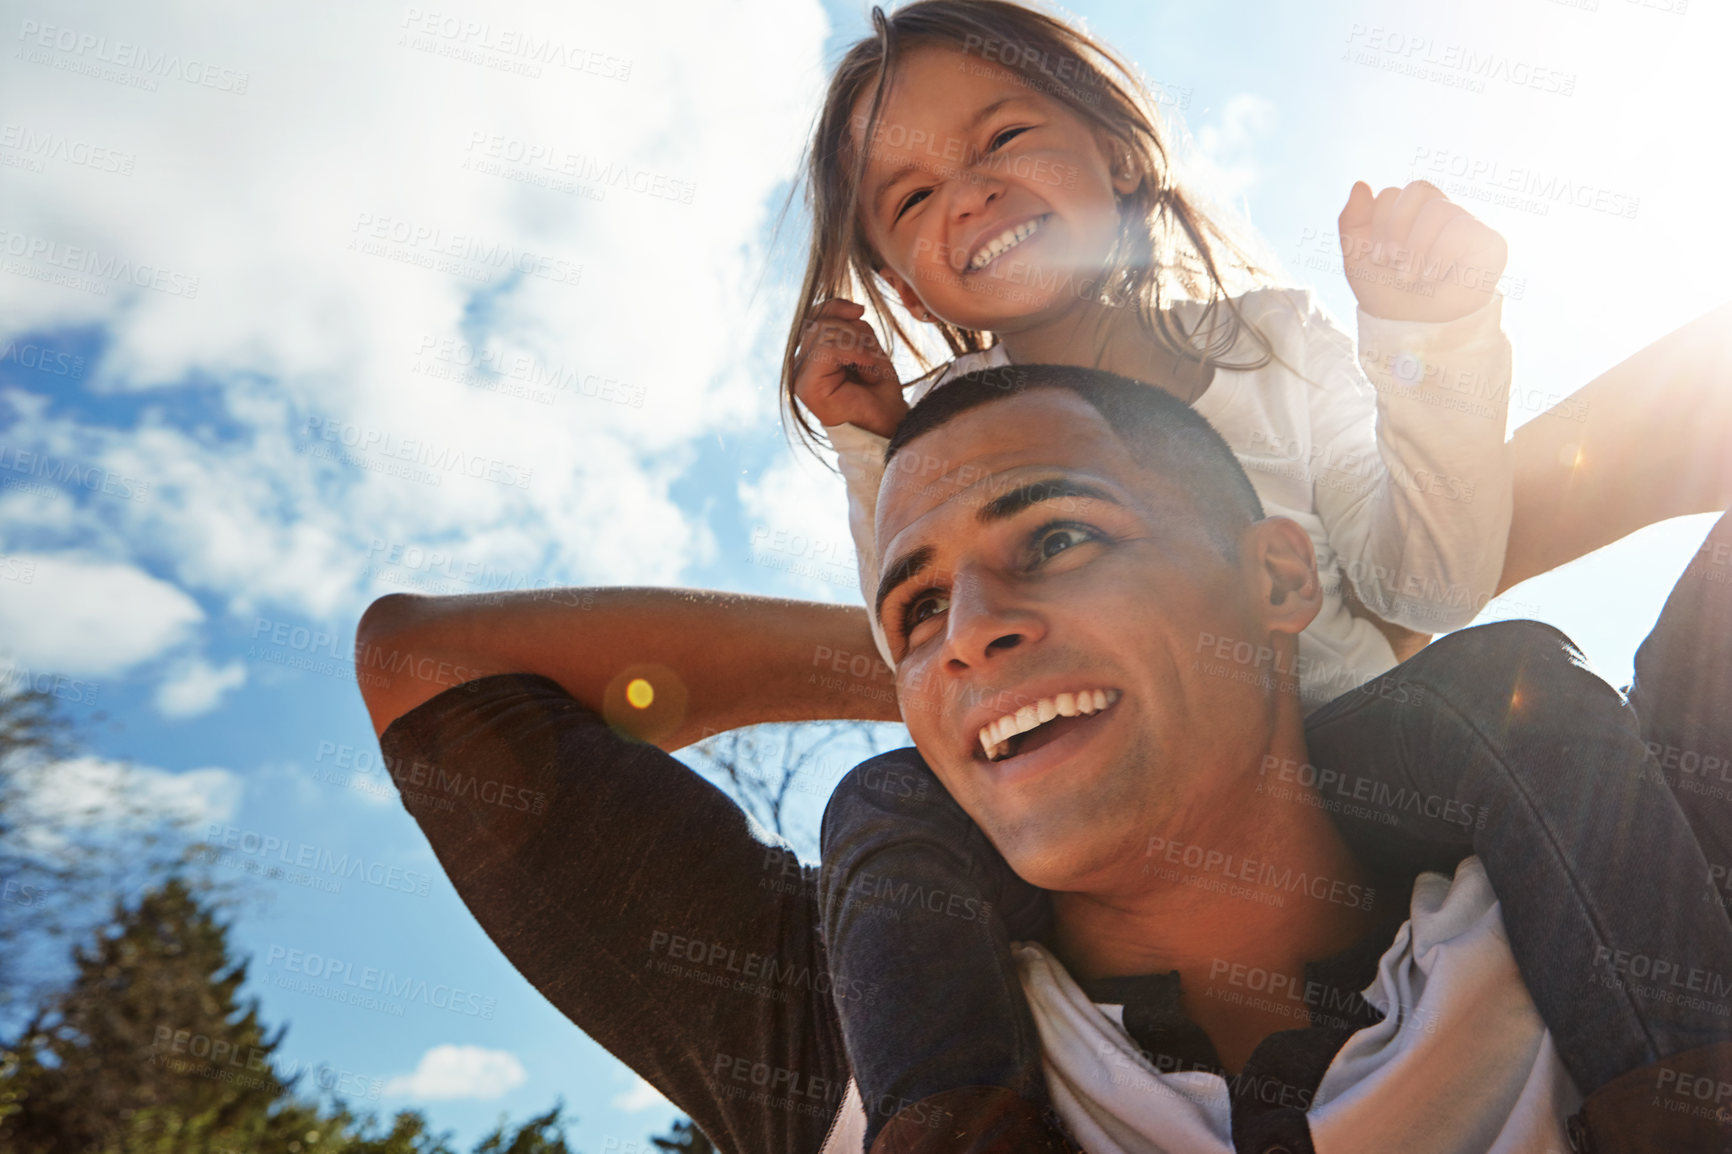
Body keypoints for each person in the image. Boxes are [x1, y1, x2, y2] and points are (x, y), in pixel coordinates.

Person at [778, 4, 1732, 1143]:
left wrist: (1428, 338)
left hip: (1343, 760)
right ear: (902, 286)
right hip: (1118, 797)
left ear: (1119, 154)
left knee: (1508, 684)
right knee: (881, 803)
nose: (968, 194)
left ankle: (1680, 1091)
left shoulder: (1266, 344)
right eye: (913, 198)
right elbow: (928, 636)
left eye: (999, 139)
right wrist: (873, 450)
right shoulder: (938, 437)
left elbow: (1425, 580)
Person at [356, 365, 1732, 1154]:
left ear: (1275, 577)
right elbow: (430, 671)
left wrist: (1396, 588)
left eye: (1059, 536)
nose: (967, 632)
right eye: (917, 604)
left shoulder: (1639, 856)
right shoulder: (843, 1023)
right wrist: (964, 661)